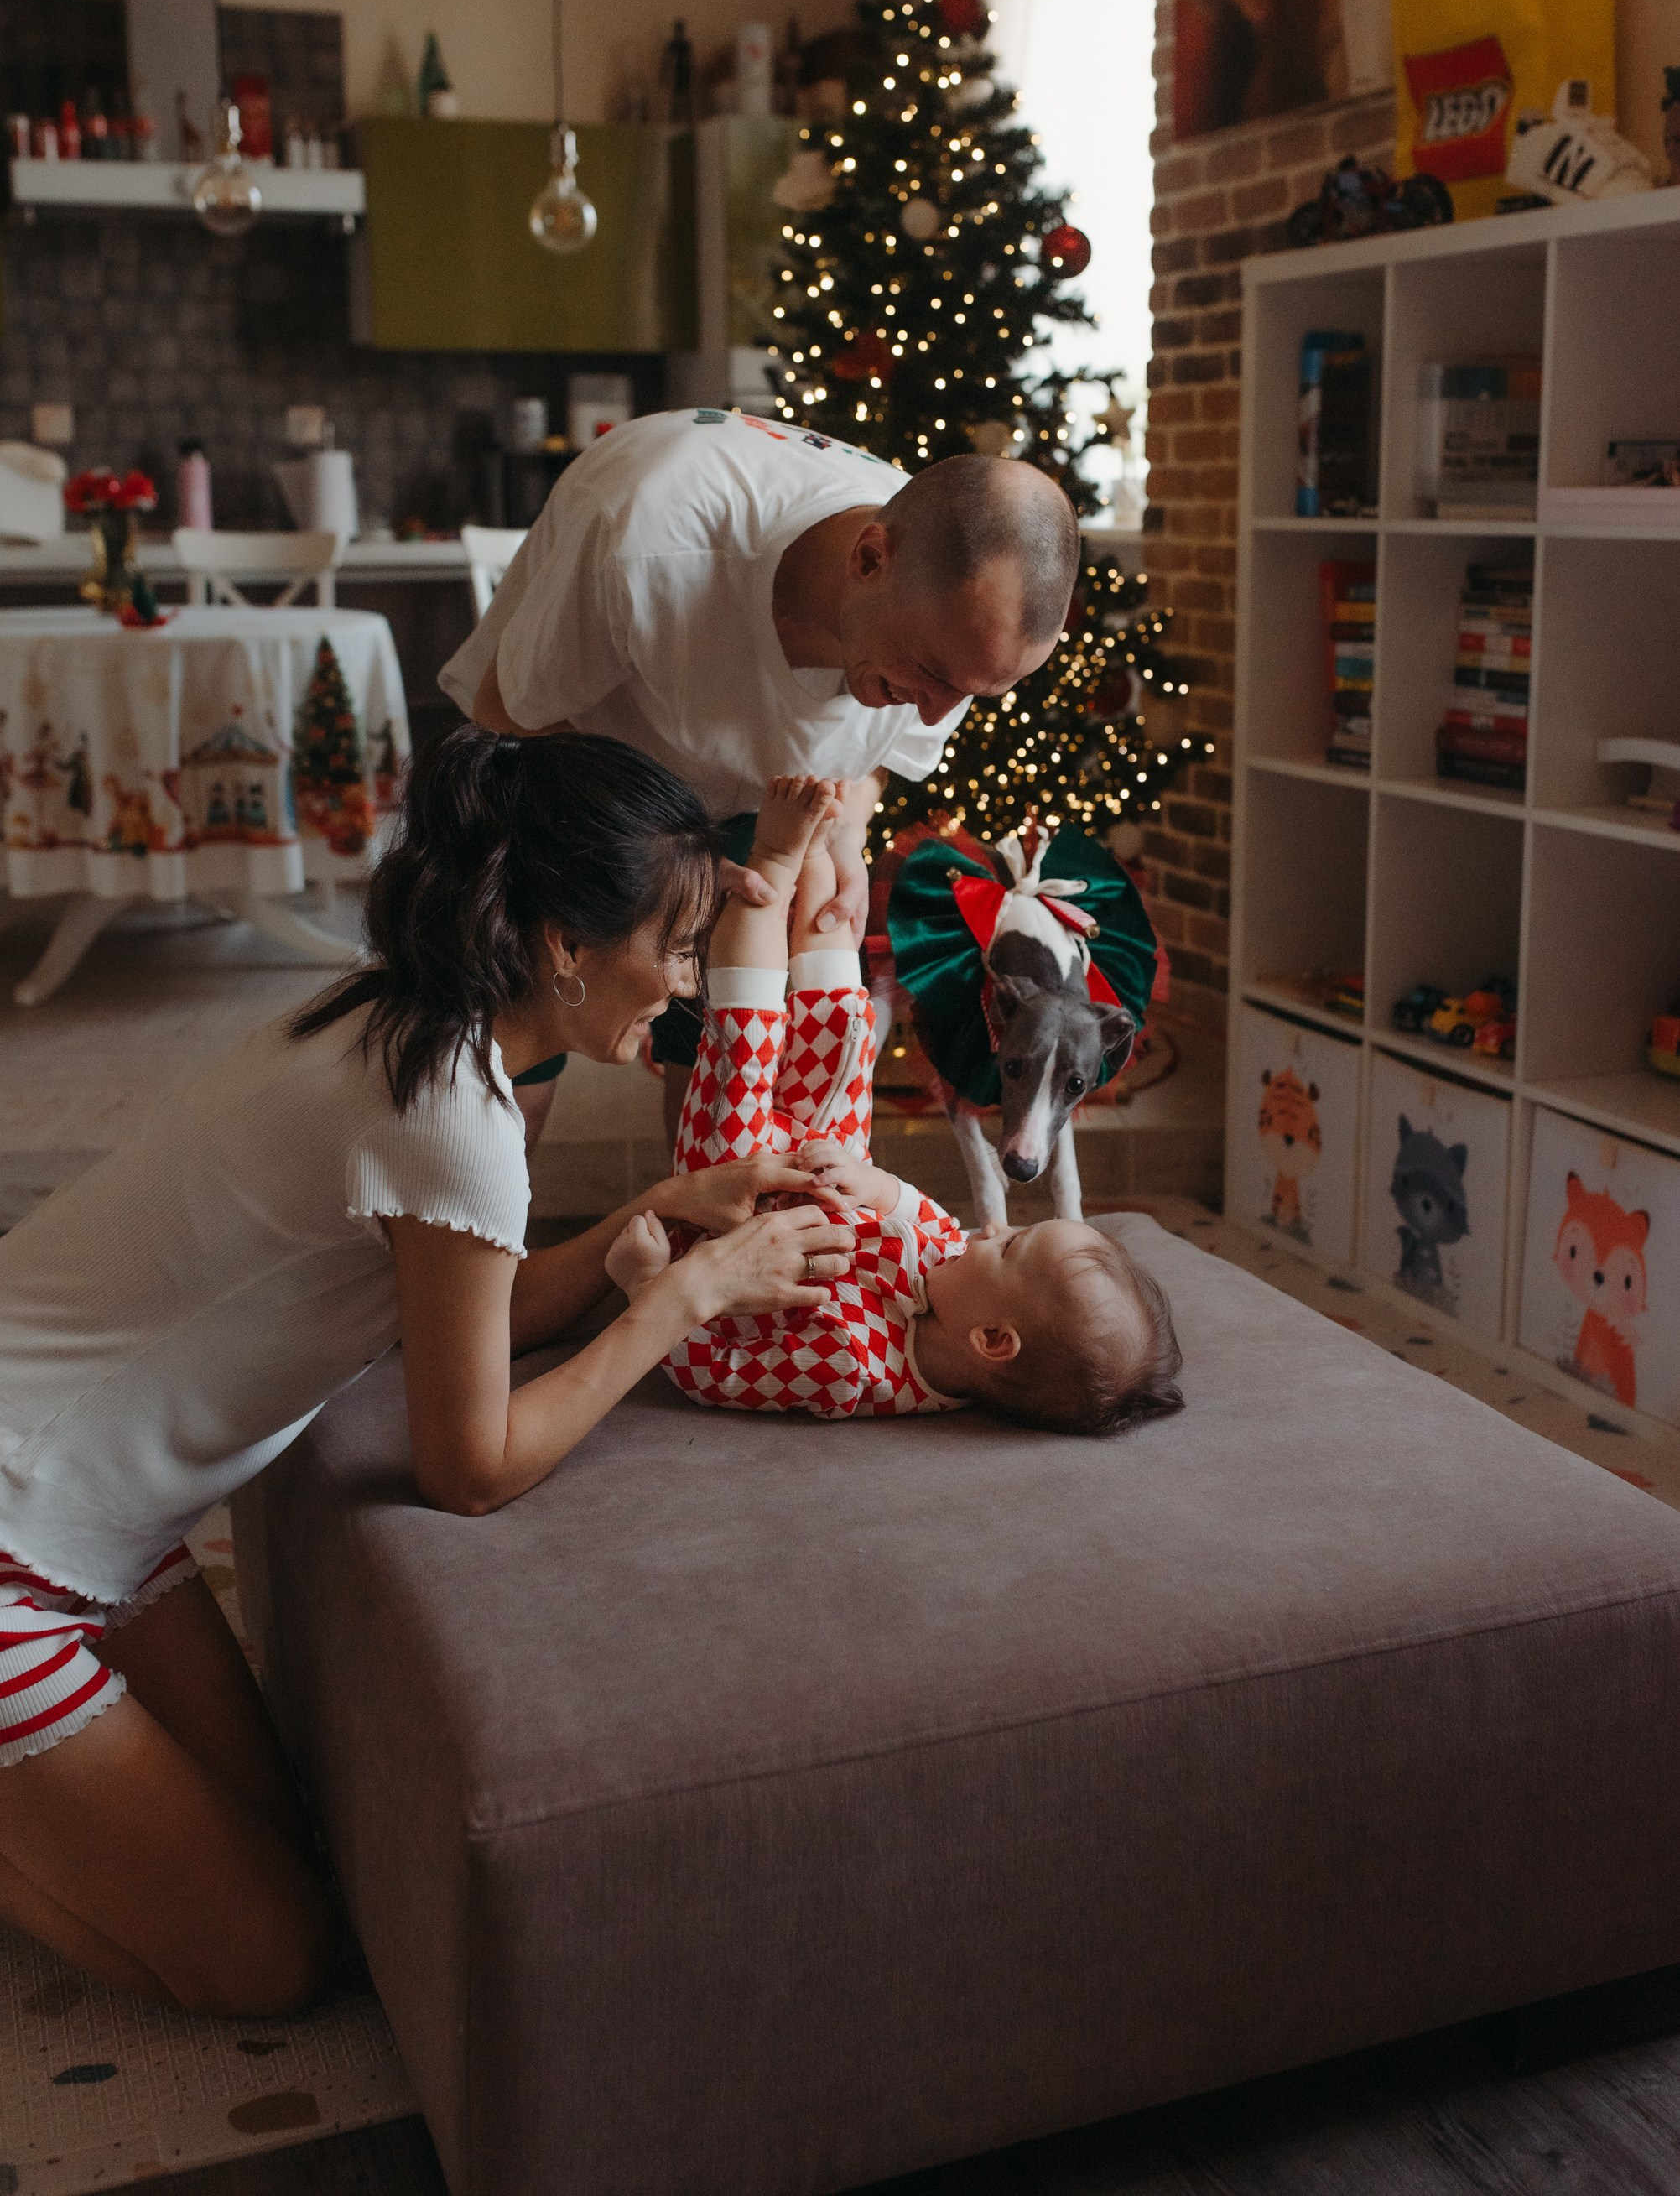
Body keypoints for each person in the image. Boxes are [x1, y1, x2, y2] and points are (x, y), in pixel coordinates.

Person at [0, 728, 853, 2016]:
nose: (682, 984)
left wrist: (667, 1204)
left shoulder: (400, 1015)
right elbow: (469, 1467)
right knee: (269, 1961)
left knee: (292, 1847)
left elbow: (473, 1319)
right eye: (674, 947)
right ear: (565, 943)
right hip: (19, 1534)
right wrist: (683, 1299)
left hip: (95, 1526)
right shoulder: (452, 1115)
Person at [438, 408, 1082, 1132]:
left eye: (970, 695)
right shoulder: (651, 539)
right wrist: (668, 864)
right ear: (868, 561)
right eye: (930, 674)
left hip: (756, 805)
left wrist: (845, 830)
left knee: (731, 1066)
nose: (935, 717)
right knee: (515, 1061)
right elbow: (507, 710)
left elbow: (879, 762)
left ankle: (694, 1231)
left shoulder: (956, 627)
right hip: (567, 776)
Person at [608, 775, 1185, 1434]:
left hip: (738, 1203)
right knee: (845, 1029)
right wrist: (871, 1185)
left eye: (1008, 1247)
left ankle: (771, 860)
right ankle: (828, 850)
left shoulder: (851, 1370)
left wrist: (647, 1287)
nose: (989, 1228)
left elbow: (709, 1373)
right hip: (833, 1162)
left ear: (992, 1340)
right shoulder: (956, 1277)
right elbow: (925, 1219)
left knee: (747, 1041)